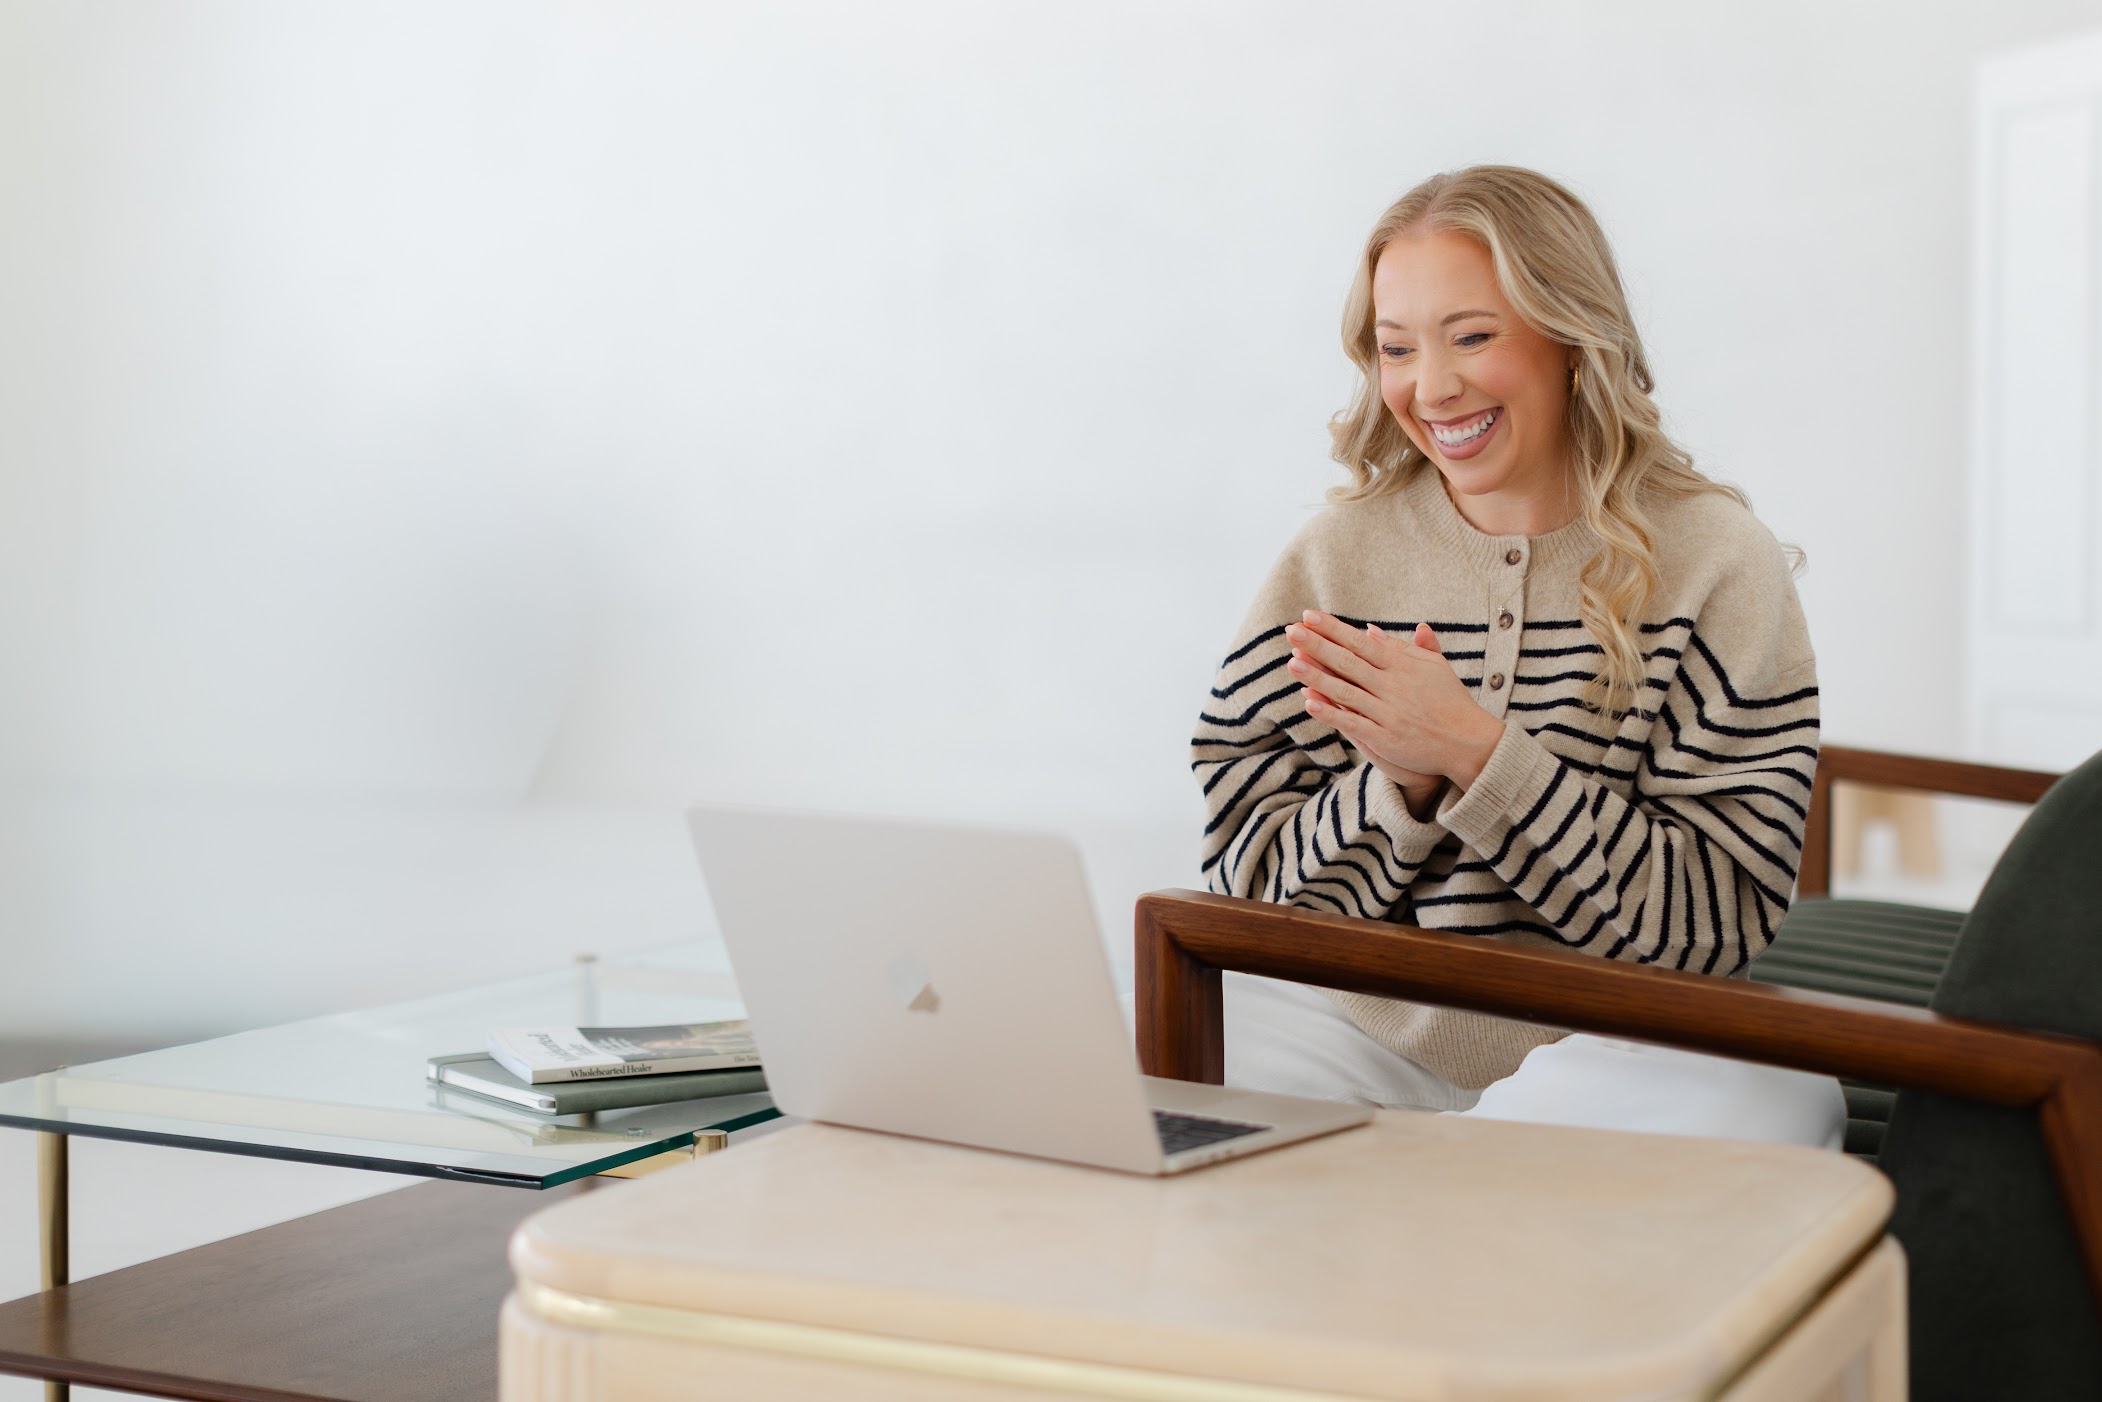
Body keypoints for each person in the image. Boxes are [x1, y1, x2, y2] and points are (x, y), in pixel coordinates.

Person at [1193, 165, 1844, 1147]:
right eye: (1395, 347)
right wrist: (1396, 790)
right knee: (1125, 1039)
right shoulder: (1334, 555)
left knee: (1770, 1109)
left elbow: (1715, 922)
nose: (1429, 386)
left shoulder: (1715, 559)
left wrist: (1476, 753)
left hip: (1615, 1044)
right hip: (1357, 1026)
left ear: (1570, 337)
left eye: (1471, 335)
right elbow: (1245, 878)